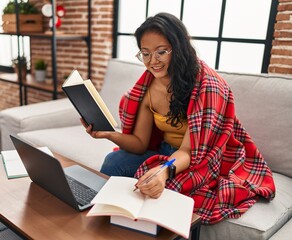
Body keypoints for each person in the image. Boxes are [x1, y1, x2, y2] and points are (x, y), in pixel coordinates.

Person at [82, 12, 275, 224]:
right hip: (166, 152)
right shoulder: (147, 85)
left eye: (161, 52)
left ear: (179, 48)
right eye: (145, 54)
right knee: (114, 161)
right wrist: (109, 134)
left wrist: (163, 172)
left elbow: (190, 151)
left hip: (203, 159)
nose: (152, 62)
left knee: (171, 189)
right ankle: (100, 220)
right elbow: (139, 143)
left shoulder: (208, 86)